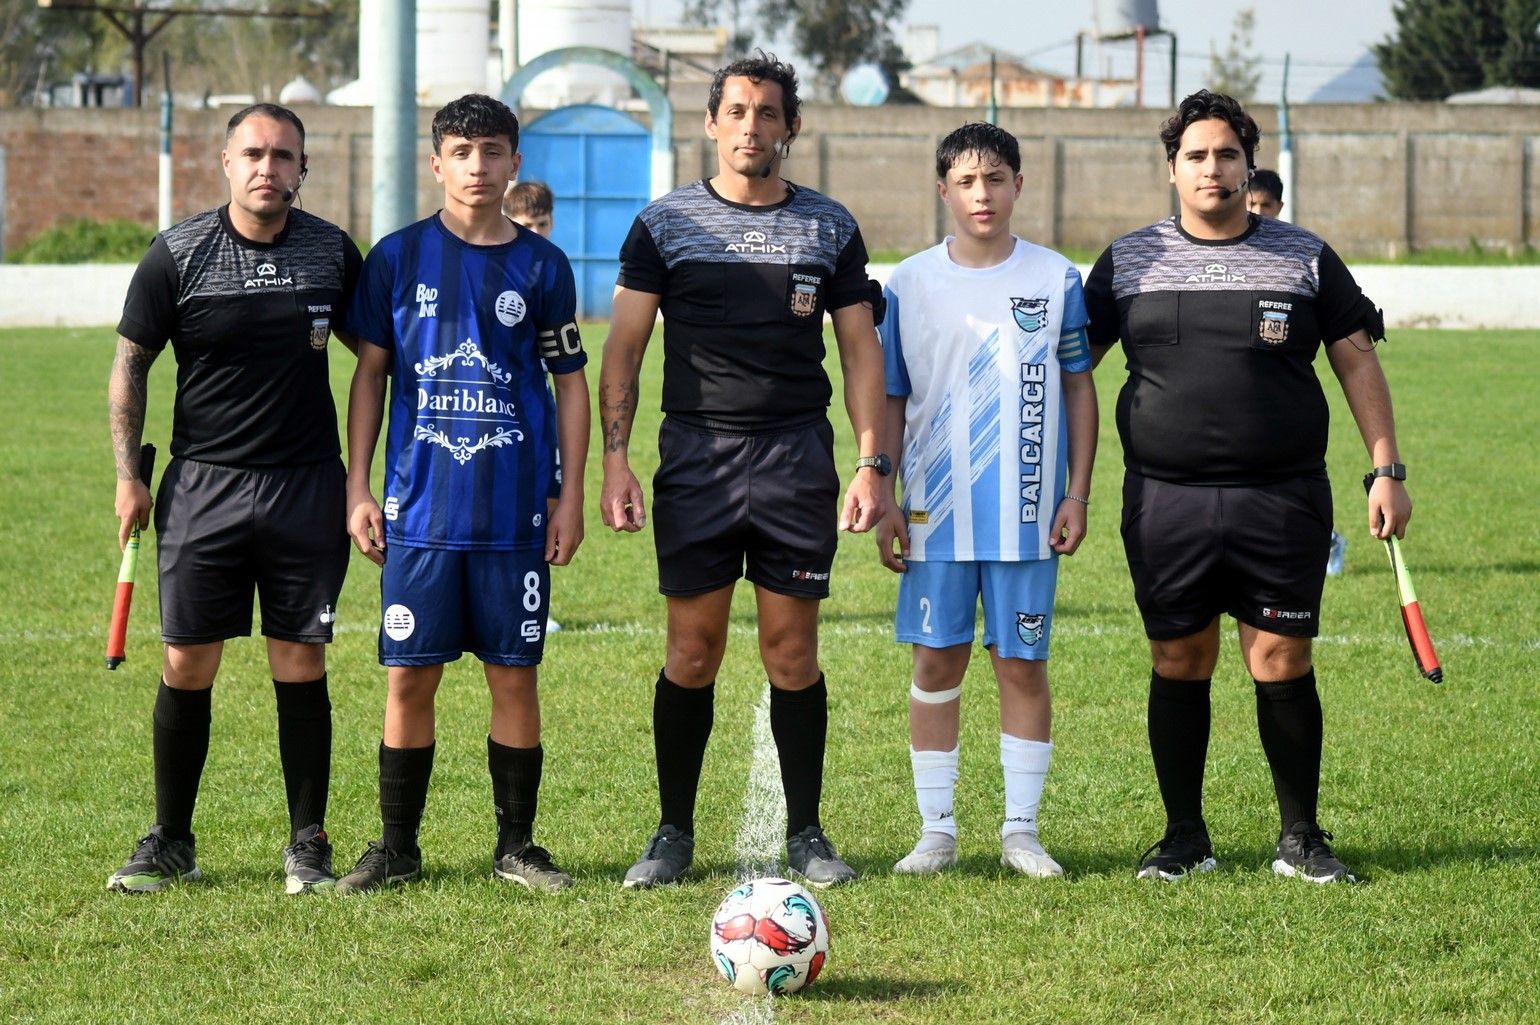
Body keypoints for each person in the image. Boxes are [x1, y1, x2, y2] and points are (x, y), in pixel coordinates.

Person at [1084, 90, 1413, 885]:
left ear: (1248, 165)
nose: (1212, 168)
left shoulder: (1305, 256)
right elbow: (1069, 370)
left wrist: (1386, 469)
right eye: (1195, 155)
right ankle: (1183, 838)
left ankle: (1301, 838)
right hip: (1165, 500)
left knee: (1281, 655)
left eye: (1226, 154)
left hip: (1282, 497)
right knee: (1178, 656)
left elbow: (1358, 361)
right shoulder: (1128, 261)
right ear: (1172, 168)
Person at [598, 51, 891, 889]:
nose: (751, 126)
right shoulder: (665, 224)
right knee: (691, 651)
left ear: (791, 127)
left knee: (791, 651)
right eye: (736, 111)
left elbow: (860, 351)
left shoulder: (829, 226)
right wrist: (616, 461)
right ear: (711, 123)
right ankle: (672, 832)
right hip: (697, 457)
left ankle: (807, 832)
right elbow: (624, 348)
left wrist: (872, 463)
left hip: (796, 456)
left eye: (767, 112)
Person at [106, 103, 362, 894]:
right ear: (226, 162)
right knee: (187, 660)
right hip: (202, 485)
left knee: (300, 658)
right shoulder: (177, 253)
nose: (267, 168)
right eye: (253, 153)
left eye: (283, 156)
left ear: (302, 168)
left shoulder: (331, 252)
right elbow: (131, 363)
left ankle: (308, 843)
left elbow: (379, 355)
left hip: (306, 485)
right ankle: (172, 838)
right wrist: (127, 473)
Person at [336, 94, 589, 894]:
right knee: (409, 677)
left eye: (492, 151)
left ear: (515, 162)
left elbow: (571, 384)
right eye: (462, 151)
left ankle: (518, 845)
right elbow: (370, 377)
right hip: (419, 513)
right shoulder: (398, 257)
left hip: (514, 516)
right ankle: (396, 846)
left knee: (514, 676)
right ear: (437, 163)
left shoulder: (543, 266)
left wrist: (570, 496)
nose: (477, 166)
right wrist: (358, 486)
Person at [875, 122, 1097, 879]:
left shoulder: (1056, 278)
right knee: (936, 662)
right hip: (934, 517)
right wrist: (885, 493)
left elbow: (1079, 388)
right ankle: (936, 831)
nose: (982, 194)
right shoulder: (907, 283)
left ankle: (1021, 831)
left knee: (1022, 666)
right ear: (943, 190)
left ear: (1018, 186)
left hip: (1027, 514)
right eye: (966, 181)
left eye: (996, 179)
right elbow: (892, 396)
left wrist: (1076, 492)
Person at [1249, 167, 1348, 577]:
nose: (1258, 212)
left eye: (1266, 205)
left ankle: (1327, 539)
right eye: (1252, 203)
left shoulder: (1298, 255)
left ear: (1280, 207)